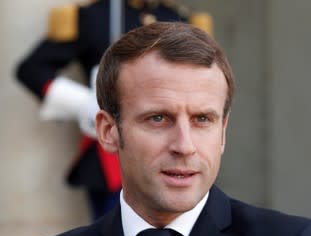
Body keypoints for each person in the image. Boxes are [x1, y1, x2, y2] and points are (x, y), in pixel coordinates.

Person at [2, 22, 311, 236]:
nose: (184, 145)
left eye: (202, 120)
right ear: (108, 131)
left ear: (223, 132)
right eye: (158, 119)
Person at [15, 0, 212, 219]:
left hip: (174, 141)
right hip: (112, 151)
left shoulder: (180, 20)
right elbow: (32, 70)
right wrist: (84, 103)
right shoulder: (95, 16)